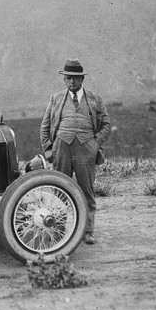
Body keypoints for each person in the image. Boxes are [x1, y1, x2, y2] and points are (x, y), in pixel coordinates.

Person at [40, 59, 111, 245]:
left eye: (75, 78)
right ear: (64, 80)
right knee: (59, 190)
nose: (71, 82)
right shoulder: (56, 98)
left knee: (86, 190)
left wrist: (95, 144)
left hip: (86, 149)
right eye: (68, 78)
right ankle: (58, 230)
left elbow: (106, 125)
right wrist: (49, 149)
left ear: (82, 79)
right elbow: (45, 126)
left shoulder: (95, 99)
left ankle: (88, 232)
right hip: (61, 147)